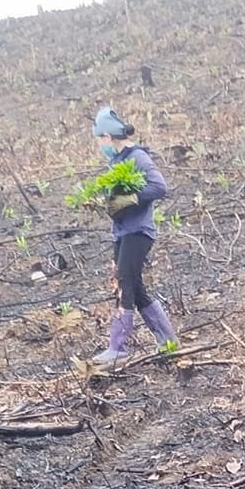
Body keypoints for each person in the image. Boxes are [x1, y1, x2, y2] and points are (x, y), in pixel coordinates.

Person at [90, 108, 180, 366]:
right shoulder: (117, 162)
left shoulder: (137, 157)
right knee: (136, 288)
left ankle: (118, 347)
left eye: (99, 139)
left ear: (108, 136)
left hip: (138, 232)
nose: (99, 145)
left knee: (123, 284)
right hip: (122, 233)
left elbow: (159, 187)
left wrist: (131, 199)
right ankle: (168, 340)